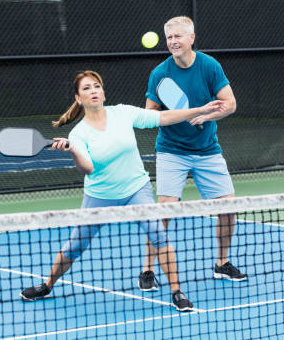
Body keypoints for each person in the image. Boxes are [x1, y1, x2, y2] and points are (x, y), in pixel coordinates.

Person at [20, 70, 227, 312]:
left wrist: (200, 110)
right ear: (78, 98)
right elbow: (87, 168)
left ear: (104, 92)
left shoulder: (123, 113)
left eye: (96, 86)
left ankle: (177, 291)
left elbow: (163, 117)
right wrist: (72, 149)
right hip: (100, 195)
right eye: (86, 88)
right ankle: (47, 285)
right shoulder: (78, 134)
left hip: (135, 189)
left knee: (159, 235)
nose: (93, 91)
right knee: (75, 245)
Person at [138, 16, 247, 292]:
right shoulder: (160, 73)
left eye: (178, 37)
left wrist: (206, 115)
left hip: (207, 150)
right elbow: (149, 114)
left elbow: (230, 104)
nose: (173, 42)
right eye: (169, 38)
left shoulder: (210, 66)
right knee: (163, 212)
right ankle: (148, 269)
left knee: (228, 208)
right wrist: (177, 115)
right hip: (172, 150)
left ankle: (222, 263)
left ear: (191, 38)